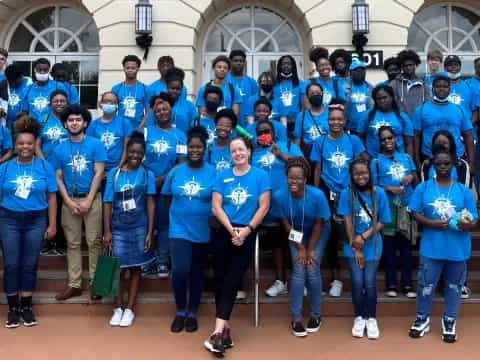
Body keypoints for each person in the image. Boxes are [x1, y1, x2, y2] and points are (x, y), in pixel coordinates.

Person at [204, 136, 271, 355]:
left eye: (241, 150)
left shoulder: (261, 176)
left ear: (249, 151)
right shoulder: (222, 176)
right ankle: (225, 330)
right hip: (223, 232)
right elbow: (216, 205)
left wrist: (247, 230)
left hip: (247, 232)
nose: (238, 154)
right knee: (221, 280)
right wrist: (231, 229)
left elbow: (264, 206)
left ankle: (215, 334)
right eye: (233, 151)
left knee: (233, 280)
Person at [408, 146, 477, 343]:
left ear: (454, 164)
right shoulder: (424, 187)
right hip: (432, 247)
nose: (443, 167)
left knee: (454, 287)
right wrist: (431, 223)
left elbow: (474, 219)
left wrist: (467, 224)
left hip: (458, 248)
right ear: (433, 166)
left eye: (447, 163)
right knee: (425, 285)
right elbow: (414, 211)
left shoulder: (463, 191)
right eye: (439, 164)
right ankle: (422, 318)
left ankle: (449, 320)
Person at [0, 116, 57, 328]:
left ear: (35, 145)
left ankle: (26, 306)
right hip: (9, 219)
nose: (25, 147)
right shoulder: (4, 168)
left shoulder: (44, 167)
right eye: (21, 143)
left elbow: (52, 196)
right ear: (15, 145)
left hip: (36, 220)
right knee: (11, 264)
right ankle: (13, 308)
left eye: (29, 143)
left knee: (30, 264)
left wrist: (52, 225)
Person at [162, 126, 216, 333]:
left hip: (203, 229)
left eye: (199, 147)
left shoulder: (213, 172)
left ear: (204, 148)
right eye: (192, 147)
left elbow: (218, 200)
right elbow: (167, 197)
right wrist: (176, 216)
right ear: (187, 148)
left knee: (196, 272)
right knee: (180, 269)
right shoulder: (176, 171)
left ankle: (192, 311)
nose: (195, 150)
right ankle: (180, 310)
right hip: (179, 229)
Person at [311, 101, 366, 297]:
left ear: (345, 121)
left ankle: (360, 274)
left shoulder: (354, 141)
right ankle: (336, 279)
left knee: (352, 231)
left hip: (349, 191)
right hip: (327, 191)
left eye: (339, 119)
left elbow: (362, 164)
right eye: (332, 119)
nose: (335, 122)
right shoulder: (320, 142)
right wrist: (317, 193)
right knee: (331, 234)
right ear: (327, 121)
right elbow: (317, 168)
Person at [52, 105, 106, 301]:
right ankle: (74, 284)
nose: (74, 123)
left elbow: (99, 172)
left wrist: (89, 199)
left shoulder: (96, 144)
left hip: (92, 198)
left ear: (85, 123)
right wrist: (67, 201)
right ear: (65, 124)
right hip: (69, 200)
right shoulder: (59, 149)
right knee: (73, 243)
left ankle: (96, 283)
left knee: (94, 242)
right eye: (70, 120)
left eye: (78, 119)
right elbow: (58, 177)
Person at [103, 131, 155, 327]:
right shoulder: (114, 174)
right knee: (117, 268)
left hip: (139, 227)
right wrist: (107, 230)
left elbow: (150, 203)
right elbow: (107, 202)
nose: (135, 156)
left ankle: (130, 309)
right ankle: (117, 307)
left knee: (135, 268)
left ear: (143, 154)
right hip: (117, 228)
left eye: (139, 153)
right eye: (132, 152)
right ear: (127, 152)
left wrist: (150, 231)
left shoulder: (147, 174)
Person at [275, 157, 331, 336]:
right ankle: (296, 318)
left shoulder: (317, 195)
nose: (294, 181)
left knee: (312, 267)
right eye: (291, 177)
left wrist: (310, 250)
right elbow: (285, 224)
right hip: (296, 233)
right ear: (286, 178)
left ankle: (316, 315)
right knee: (299, 269)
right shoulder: (279, 196)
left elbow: (319, 224)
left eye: (298, 178)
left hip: (318, 231)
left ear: (305, 180)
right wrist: (300, 248)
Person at [337, 158, 390, 339]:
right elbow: (348, 221)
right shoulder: (346, 194)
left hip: (373, 244)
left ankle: (371, 318)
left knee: (369, 282)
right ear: (351, 175)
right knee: (357, 282)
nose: (361, 176)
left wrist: (364, 237)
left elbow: (382, 221)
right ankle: (359, 316)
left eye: (364, 173)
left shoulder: (379, 193)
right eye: (357, 173)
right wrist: (356, 247)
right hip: (352, 246)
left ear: (370, 174)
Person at [251, 119, 302, 297]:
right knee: (277, 245)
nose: (263, 134)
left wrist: (281, 156)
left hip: (291, 205)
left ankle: (298, 281)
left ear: (273, 132)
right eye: (260, 132)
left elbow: (302, 166)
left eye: (267, 131)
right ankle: (280, 281)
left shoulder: (286, 145)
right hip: (267, 209)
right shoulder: (253, 153)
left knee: (296, 242)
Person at [420, 130, 472, 299]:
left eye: (445, 142)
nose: (442, 145)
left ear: (451, 144)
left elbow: (465, 189)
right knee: (434, 254)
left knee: (457, 251)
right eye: (438, 143)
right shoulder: (427, 164)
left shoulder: (462, 165)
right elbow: (424, 189)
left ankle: (460, 284)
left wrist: (458, 218)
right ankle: (436, 284)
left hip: (457, 217)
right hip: (433, 216)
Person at [143, 93, 187, 278]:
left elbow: (181, 162)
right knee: (146, 223)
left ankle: (161, 260)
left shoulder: (180, 135)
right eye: (158, 110)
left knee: (163, 224)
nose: (161, 112)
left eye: (165, 109)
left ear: (171, 111)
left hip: (167, 186)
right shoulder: (147, 131)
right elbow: (136, 154)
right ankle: (146, 260)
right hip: (146, 184)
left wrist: (162, 179)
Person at [371, 126, 417, 298]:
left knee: (405, 246)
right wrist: (389, 188)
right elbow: (372, 187)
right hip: (387, 206)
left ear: (395, 138)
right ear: (379, 142)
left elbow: (415, 177)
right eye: (383, 139)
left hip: (405, 206)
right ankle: (391, 283)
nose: (387, 141)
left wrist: (411, 177)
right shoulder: (376, 161)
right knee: (389, 247)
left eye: (390, 138)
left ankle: (407, 284)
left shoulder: (406, 157)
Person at [413, 72, 474, 171]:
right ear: (432, 88)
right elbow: (416, 137)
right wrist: (418, 161)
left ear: (449, 89)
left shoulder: (459, 109)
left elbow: (468, 136)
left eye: (445, 86)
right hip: (430, 158)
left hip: (456, 158)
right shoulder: (421, 109)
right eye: (438, 86)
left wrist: (471, 163)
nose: (442, 88)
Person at [36, 90, 69, 256]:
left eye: (62, 100)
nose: (59, 103)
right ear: (51, 103)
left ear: (67, 102)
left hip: (66, 171)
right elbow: (36, 145)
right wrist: (44, 164)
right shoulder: (43, 120)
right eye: (56, 100)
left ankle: (61, 242)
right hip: (46, 169)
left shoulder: (70, 120)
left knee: (64, 207)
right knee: (48, 204)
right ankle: (48, 241)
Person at [358, 84, 413, 158]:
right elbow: (359, 137)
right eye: (379, 99)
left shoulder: (402, 116)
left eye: (385, 97)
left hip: (398, 161)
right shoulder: (367, 115)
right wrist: (365, 155)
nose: (382, 100)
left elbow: (409, 143)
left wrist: (409, 160)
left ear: (392, 97)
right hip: (374, 160)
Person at [87, 91, 133, 173]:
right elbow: (90, 149)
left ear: (117, 105)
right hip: (97, 169)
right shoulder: (93, 125)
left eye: (113, 102)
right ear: (100, 104)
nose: (109, 104)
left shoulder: (125, 123)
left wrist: (118, 168)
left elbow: (127, 148)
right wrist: (98, 170)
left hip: (118, 168)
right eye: (106, 101)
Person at [390, 49, 430, 118]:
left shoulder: (424, 85)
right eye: (405, 66)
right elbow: (391, 105)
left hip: (419, 125)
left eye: (410, 65)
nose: (408, 68)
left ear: (415, 65)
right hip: (401, 123)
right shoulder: (394, 84)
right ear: (401, 67)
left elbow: (428, 106)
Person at [111, 55, 148, 129]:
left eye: (133, 68)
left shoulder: (145, 88)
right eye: (127, 68)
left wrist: (139, 128)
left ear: (138, 69)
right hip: (120, 128)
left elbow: (148, 112)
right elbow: (112, 111)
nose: (130, 70)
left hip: (138, 129)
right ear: (124, 69)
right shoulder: (116, 88)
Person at [293, 82, 329, 157]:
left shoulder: (330, 113)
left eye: (318, 93)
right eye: (312, 93)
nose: (315, 95)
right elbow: (297, 140)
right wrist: (300, 157)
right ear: (307, 96)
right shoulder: (301, 116)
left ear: (322, 94)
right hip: (308, 155)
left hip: (326, 152)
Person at [227, 50, 258, 127]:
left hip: (248, 123)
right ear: (230, 62)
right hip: (229, 124)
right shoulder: (225, 81)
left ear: (244, 63)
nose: (238, 63)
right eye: (235, 61)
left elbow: (257, 102)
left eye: (241, 61)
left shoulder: (251, 82)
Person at [274, 55, 305, 132]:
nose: (286, 66)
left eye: (289, 64)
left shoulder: (301, 84)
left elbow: (303, 106)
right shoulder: (274, 84)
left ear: (293, 66)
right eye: (283, 64)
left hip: (296, 123)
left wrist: (299, 120)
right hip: (277, 123)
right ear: (279, 66)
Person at [344, 59, 373, 134]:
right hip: (350, 129)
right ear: (350, 73)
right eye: (356, 70)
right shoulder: (345, 88)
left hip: (367, 127)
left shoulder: (370, 88)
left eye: (362, 70)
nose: (359, 72)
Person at [443, 55, 475, 122]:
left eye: (456, 65)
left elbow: (476, 112)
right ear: (445, 68)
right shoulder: (439, 87)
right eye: (450, 65)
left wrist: (468, 127)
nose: (453, 67)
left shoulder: (470, 86)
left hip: (467, 130)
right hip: (445, 129)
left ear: (460, 67)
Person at [206, 108, 235, 173]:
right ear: (215, 125)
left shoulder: (236, 147)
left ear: (232, 128)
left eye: (227, 126)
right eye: (220, 125)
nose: (223, 128)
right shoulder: (208, 147)